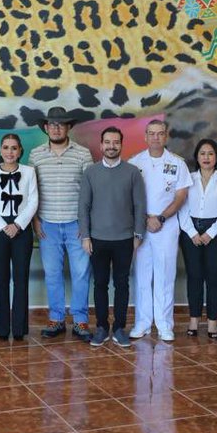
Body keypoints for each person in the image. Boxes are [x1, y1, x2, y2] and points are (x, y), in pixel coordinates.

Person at [28, 106, 94, 340]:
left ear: (68, 127)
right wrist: (35, 221)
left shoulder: (83, 154)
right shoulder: (36, 155)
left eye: (60, 124)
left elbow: (89, 193)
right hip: (47, 226)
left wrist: (86, 227)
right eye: (52, 124)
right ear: (46, 128)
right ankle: (56, 319)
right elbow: (31, 190)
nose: (56, 128)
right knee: (53, 274)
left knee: (80, 273)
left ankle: (81, 322)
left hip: (76, 225)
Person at [79, 126, 147, 348]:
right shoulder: (90, 172)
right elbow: (84, 206)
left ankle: (119, 327)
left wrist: (138, 233)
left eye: (115, 142)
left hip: (125, 238)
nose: (111, 146)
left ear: (121, 144)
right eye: (107, 142)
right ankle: (101, 327)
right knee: (99, 284)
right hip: (97, 239)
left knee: (122, 284)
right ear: (101, 146)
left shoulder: (132, 172)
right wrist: (86, 236)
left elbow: (139, 205)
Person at [129, 120, 191, 341]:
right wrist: (146, 219)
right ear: (145, 136)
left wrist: (161, 217)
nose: (155, 138)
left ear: (166, 137)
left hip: (167, 225)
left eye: (160, 134)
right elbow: (129, 197)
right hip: (142, 225)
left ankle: (165, 324)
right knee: (143, 276)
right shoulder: (135, 163)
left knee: (165, 276)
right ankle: (142, 323)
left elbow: (181, 196)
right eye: (151, 134)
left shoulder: (177, 163)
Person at [0, 134, 39, 340]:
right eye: (6, 147)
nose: (9, 152)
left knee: (21, 278)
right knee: (1, 278)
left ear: (20, 151)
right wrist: (2, 226)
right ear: (0, 150)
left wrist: (18, 224)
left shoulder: (29, 172)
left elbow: (33, 201)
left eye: (14, 148)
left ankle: (19, 328)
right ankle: (1, 328)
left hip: (21, 229)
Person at [178, 138, 217, 339]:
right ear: (197, 157)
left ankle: (212, 322)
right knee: (194, 276)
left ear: (216, 157)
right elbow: (181, 206)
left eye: (210, 153)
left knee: (214, 278)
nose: (206, 157)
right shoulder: (188, 179)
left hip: (216, 233)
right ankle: (194, 320)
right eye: (202, 153)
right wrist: (192, 232)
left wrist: (211, 233)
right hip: (190, 231)